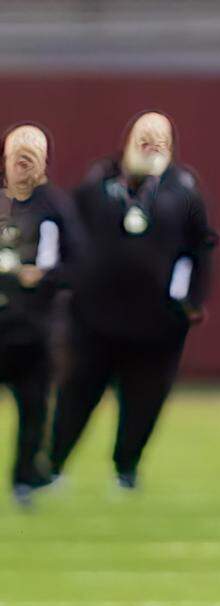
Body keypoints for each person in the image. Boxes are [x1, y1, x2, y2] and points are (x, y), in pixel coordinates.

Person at [50, 112, 218, 490]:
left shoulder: (184, 192)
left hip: (157, 321)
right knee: (77, 393)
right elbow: (69, 236)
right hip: (95, 318)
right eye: (145, 136)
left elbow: (201, 249)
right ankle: (55, 464)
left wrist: (192, 300)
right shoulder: (97, 184)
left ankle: (126, 469)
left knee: (144, 399)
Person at [0, 124, 85, 507]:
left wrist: (46, 277)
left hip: (35, 329)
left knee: (34, 408)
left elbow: (79, 263)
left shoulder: (55, 206)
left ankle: (24, 480)